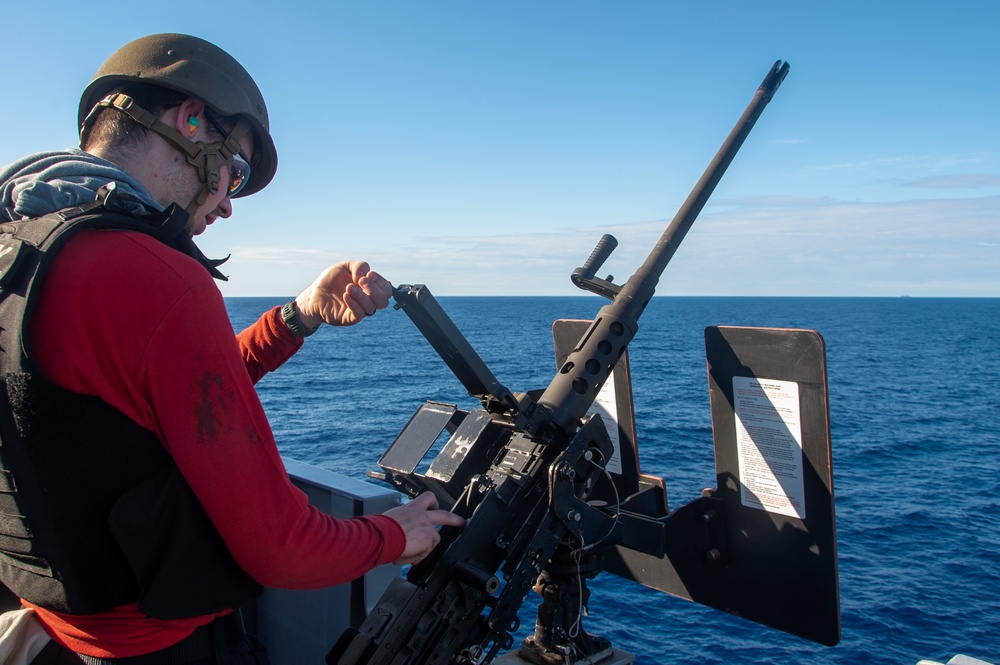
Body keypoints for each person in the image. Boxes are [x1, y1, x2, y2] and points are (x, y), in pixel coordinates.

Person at [0, 33, 464, 664]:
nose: (225, 205)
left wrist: (297, 317)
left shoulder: (23, 249)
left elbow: (144, 402)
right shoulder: (151, 273)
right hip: (162, 648)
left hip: (57, 635)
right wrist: (394, 533)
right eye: (234, 174)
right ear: (191, 121)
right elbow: (281, 546)